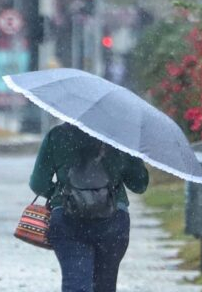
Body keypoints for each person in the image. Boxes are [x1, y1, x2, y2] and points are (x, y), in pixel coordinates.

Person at [29, 122, 149, 292]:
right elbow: (139, 184)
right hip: (113, 221)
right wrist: (132, 156)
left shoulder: (57, 135)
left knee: (75, 284)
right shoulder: (121, 138)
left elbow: (38, 183)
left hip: (67, 219)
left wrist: (62, 195)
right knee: (105, 285)